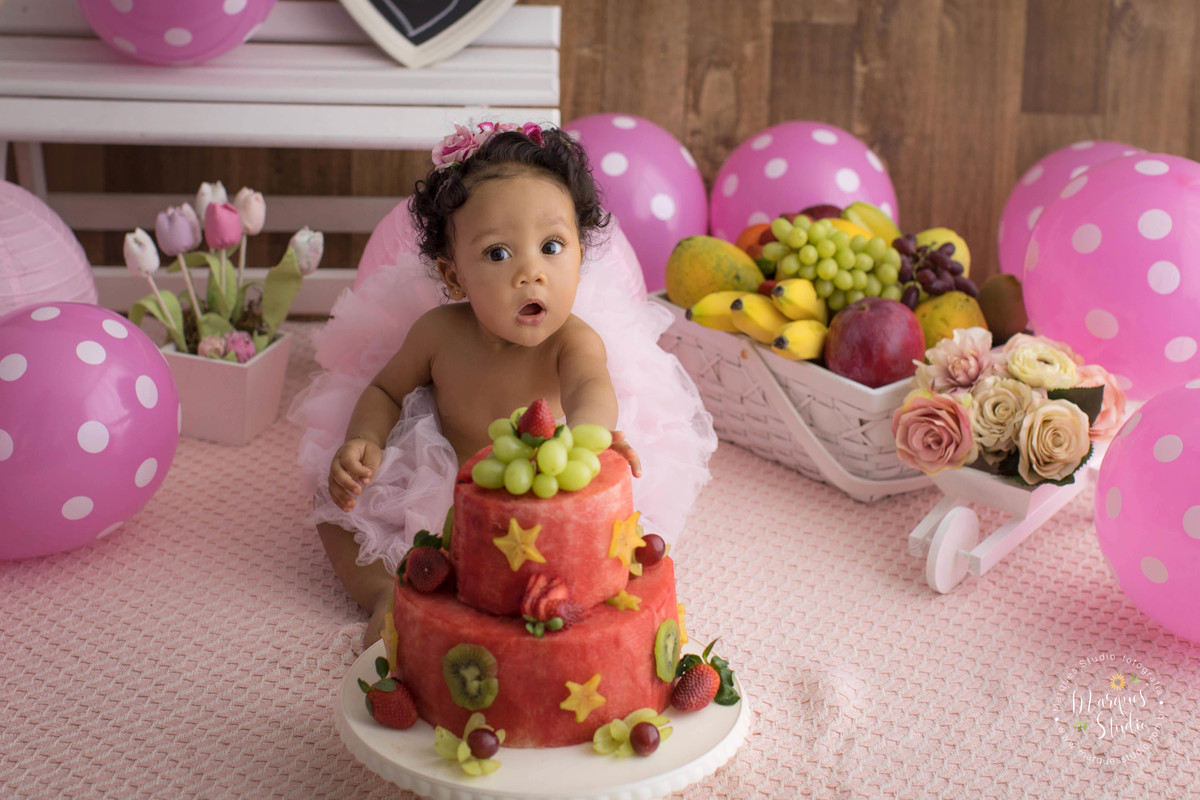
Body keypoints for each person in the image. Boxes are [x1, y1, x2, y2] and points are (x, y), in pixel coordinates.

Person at [290, 121, 716, 647]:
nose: (530, 272)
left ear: (581, 257)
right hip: (446, 486)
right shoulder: (438, 334)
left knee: (614, 535)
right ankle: (383, 593)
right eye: (498, 253)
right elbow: (384, 391)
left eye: (552, 246)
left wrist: (587, 438)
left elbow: (590, 390)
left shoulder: (573, 341)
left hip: (544, 491)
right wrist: (364, 441)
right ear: (454, 277)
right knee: (336, 512)